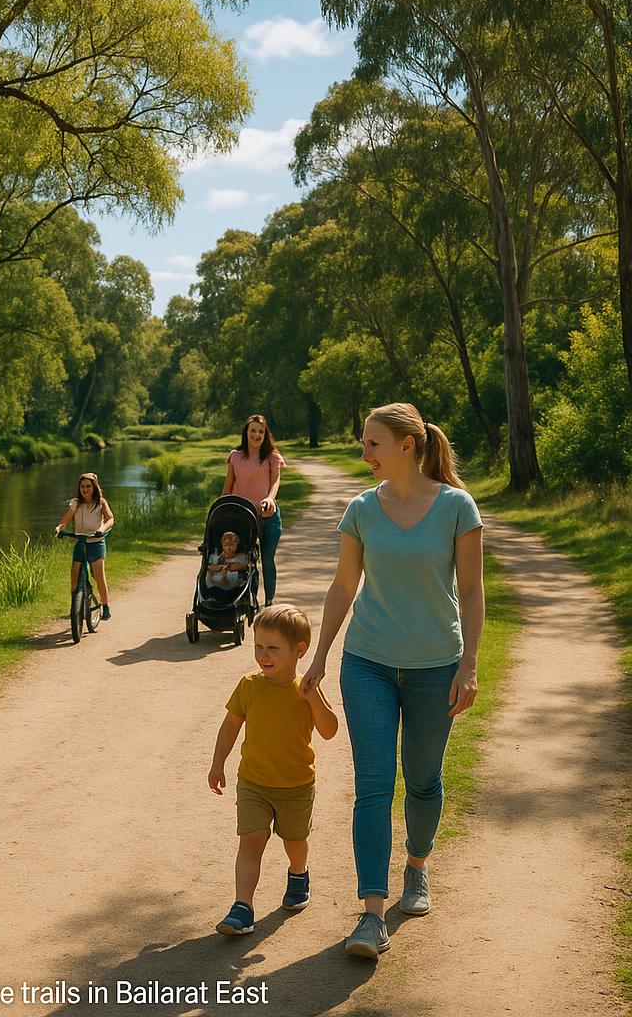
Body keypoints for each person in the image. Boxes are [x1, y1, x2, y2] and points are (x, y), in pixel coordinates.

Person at [300, 403, 484, 960]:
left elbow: (473, 591)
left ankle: (418, 867)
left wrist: (468, 665)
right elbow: (342, 588)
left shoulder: (456, 506)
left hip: (436, 665)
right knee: (374, 785)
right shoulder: (361, 509)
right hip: (369, 661)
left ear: (407, 444)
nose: (364, 453)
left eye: (373, 443)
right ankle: (372, 914)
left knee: (424, 780)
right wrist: (319, 659)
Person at [208, 605, 338, 935]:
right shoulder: (249, 686)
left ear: (299, 651)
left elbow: (329, 729)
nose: (263, 655)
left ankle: (298, 873)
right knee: (251, 840)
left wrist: (313, 699)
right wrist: (217, 762)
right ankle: (243, 907)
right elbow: (230, 726)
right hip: (253, 782)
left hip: (296, 785)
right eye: (258, 647)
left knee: (295, 841)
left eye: (272, 648)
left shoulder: (305, 688)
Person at [222, 415, 285, 606]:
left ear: (265, 434)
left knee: (267, 559)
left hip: (267, 514)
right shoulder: (235, 456)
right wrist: (221, 506)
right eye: (253, 430)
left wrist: (269, 499)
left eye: (261, 431)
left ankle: (269, 602)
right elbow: (228, 484)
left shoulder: (272, 457)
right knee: (243, 558)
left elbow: (275, 482)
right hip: (241, 516)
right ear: (246, 433)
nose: (256, 435)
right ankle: (242, 598)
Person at [53, 472, 115, 619]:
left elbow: (110, 519)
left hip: (96, 543)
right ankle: (74, 607)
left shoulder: (101, 502)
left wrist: (102, 529)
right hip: (81, 542)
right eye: (82, 486)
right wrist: (59, 528)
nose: (85, 489)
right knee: (74, 577)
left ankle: (105, 606)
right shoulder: (75, 503)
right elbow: (65, 519)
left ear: (94, 487)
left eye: (88, 486)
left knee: (99, 577)